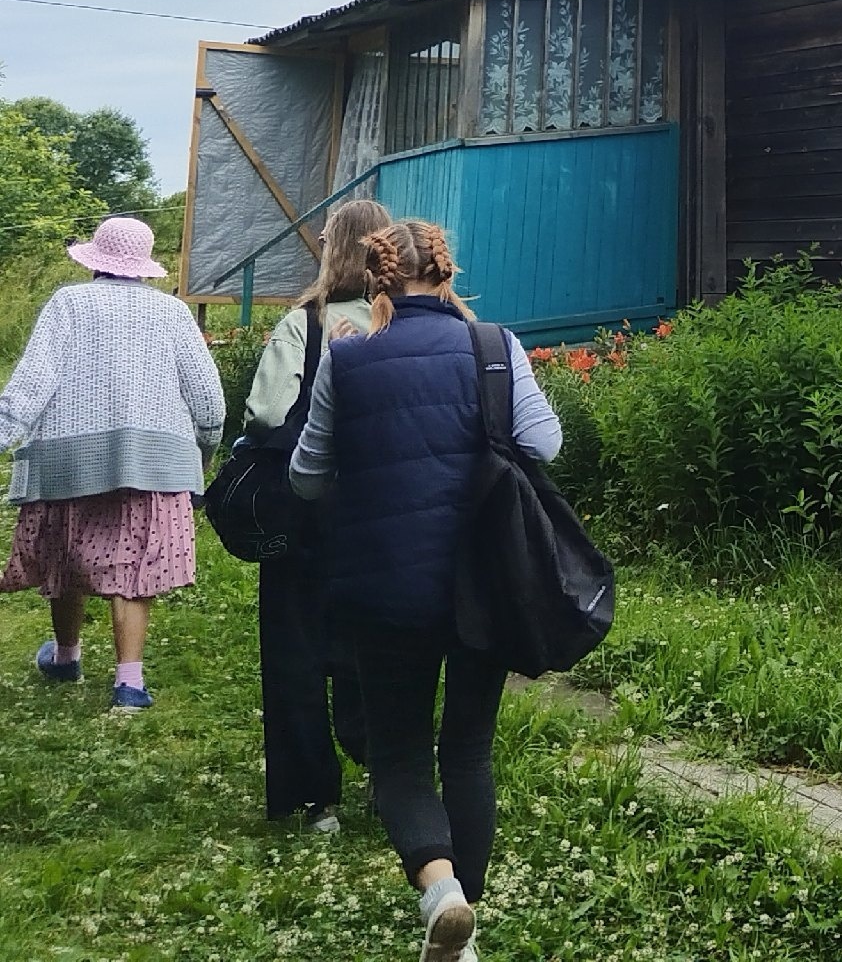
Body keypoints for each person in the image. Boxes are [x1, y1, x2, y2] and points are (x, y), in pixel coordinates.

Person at [291, 219, 560, 962]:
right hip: (486, 581)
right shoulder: (494, 346)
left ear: (377, 278)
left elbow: (308, 475)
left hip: (383, 589)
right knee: (468, 751)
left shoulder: (348, 360)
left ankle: (440, 893)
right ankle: (460, 922)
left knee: (400, 754)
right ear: (445, 274)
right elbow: (544, 443)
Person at [0, 214, 224, 713]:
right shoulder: (172, 313)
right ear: (143, 267)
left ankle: (65, 656)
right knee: (136, 564)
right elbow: (209, 402)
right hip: (153, 462)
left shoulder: (69, 303)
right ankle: (129, 683)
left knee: (66, 553)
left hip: (70, 459)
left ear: (95, 263)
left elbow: (32, 383)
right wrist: (199, 456)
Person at [240, 195, 390, 827]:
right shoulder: (403, 318)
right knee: (377, 645)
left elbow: (268, 413)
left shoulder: (306, 321)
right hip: (383, 511)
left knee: (295, 647)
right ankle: (390, 773)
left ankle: (313, 797)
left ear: (338, 247)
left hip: (306, 511)